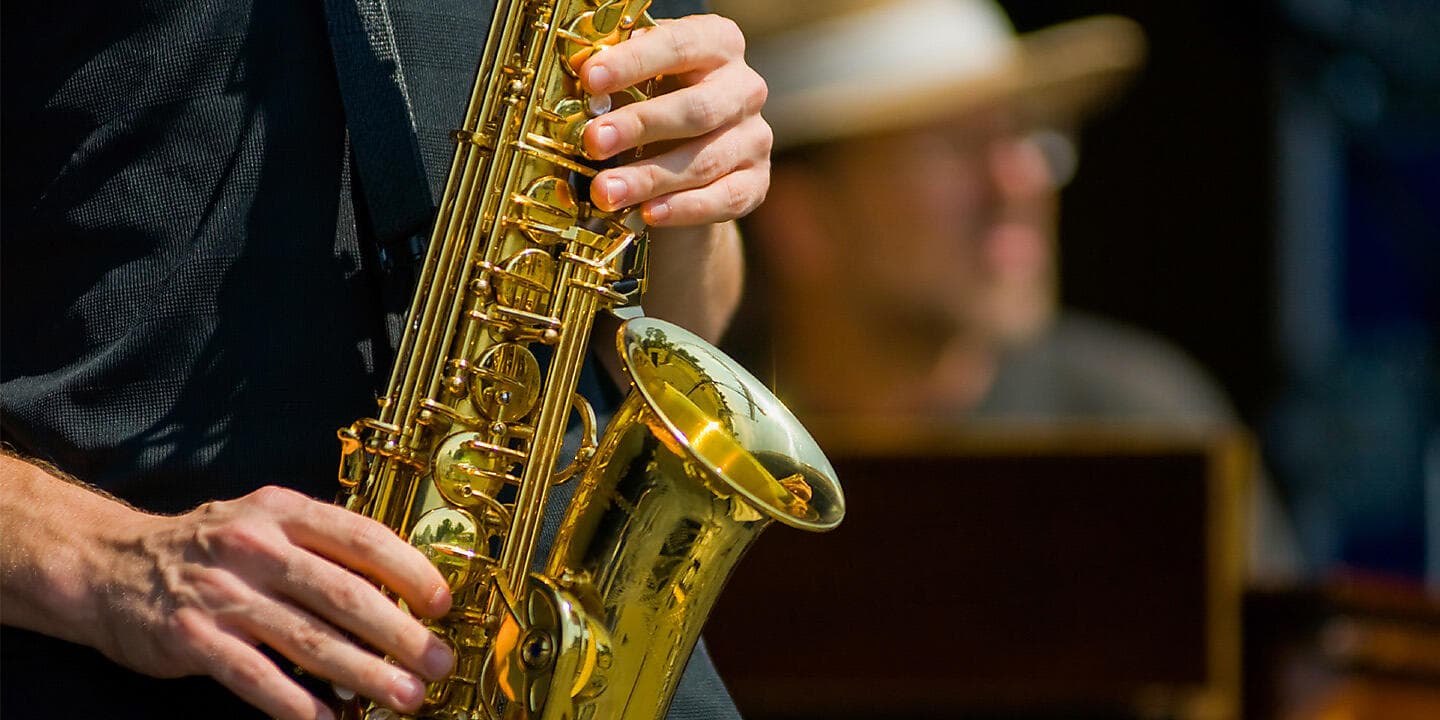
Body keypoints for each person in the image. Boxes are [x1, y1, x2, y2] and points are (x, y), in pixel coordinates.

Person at [0, 1, 766, 718]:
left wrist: (686, 185)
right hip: (145, 670)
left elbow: (675, 327)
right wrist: (110, 564)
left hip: (555, 662)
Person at [716, 0, 1300, 577]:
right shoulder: (705, 442)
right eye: (955, 146)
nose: (1022, 181)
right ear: (801, 218)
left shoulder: (1140, 422)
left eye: (1024, 135)